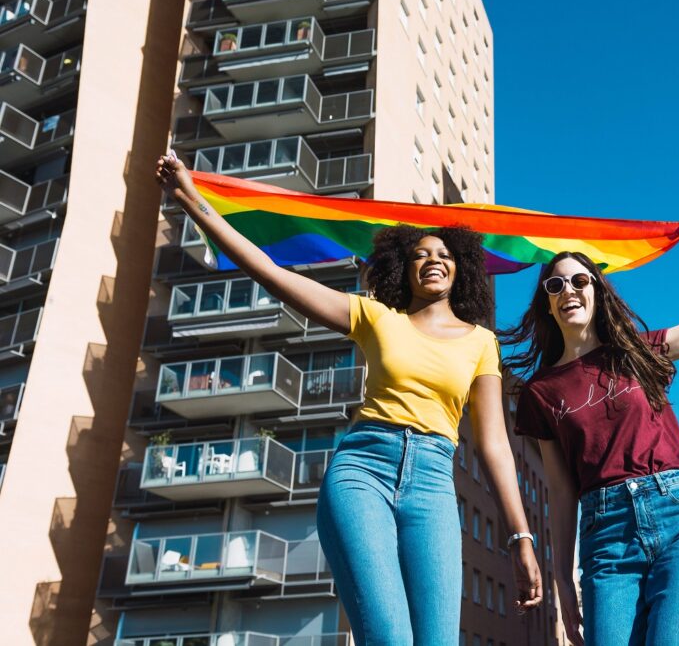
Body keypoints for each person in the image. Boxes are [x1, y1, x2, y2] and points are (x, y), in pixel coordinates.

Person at [155, 156, 542, 644]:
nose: (433, 260)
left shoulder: (480, 342)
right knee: (389, 638)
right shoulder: (378, 318)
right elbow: (275, 274)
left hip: (433, 484)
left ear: (462, 268)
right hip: (363, 471)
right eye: (421, 254)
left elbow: (495, 446)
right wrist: (192, 200)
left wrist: (520, 537)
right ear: (404, 268)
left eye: (444, 253)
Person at [501, 218, 679, 646]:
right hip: (605, 538)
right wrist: (562, 582)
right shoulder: (541, 392)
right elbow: (561, 493)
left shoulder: (638, 351)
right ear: (547, 302)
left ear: (596, 289)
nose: (568, 291)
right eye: (555, 286)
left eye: (579, 280)